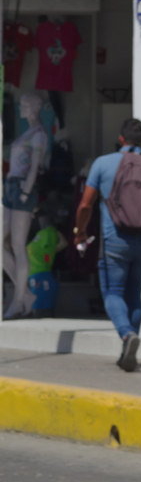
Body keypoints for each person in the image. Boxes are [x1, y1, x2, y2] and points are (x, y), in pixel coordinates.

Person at [73, 117, 141, 372]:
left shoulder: (103, 164)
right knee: (134, 297)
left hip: (114, 243)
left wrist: (80, 232)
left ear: (121, 139)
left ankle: (127, 336)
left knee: (113, 293)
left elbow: (85, 204)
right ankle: (128, 355)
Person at [4, 90, 51, 319]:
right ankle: (27, 296)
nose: (20, 108)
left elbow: (34, 166)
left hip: (22, 188)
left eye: (24, 104)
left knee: (18, 245)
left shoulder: (39, 134)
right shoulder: (28, 133)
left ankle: (19, 300)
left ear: (33, 107)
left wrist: (25, 192)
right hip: (11, 187)